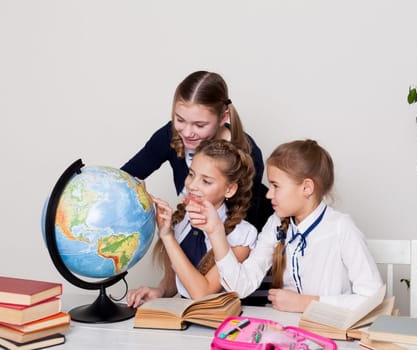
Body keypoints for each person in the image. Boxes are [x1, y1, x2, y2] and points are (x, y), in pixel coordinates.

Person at [186, 139, 384, 312]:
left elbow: (372, 300)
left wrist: (306, 303)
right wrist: (216, 232)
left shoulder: (341, 228)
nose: (268, 194)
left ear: (307, 187)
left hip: (330, 335)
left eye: (276, 186)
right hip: (286, 332)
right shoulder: (276, 223)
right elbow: (241, 286)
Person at [121, 70, 272, 232]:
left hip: (236, 242)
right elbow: (125, 175)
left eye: (199, 125)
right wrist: (130, 188)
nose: (187, 132)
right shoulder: (169, 135)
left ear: (223, 118)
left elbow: (244, 230)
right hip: (196, 233)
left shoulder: (248, 152)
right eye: (180, 120)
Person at [127, 139, 258, 307]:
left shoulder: (242, 236)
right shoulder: (180, 222)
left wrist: (168, 238)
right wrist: (160, 292)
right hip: (187, 323)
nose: (192, 185)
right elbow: (177, 280)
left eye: (206, 181)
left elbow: (201, 294)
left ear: (230, 189)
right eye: (191, 174)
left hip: (224, 326)